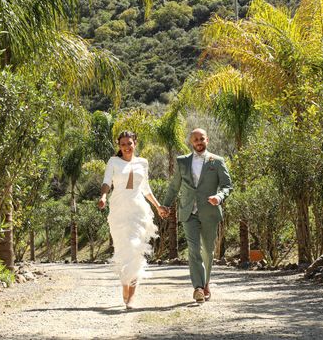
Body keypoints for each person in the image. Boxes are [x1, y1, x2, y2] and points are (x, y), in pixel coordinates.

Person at [159, 128, 232, 303]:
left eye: (202, 139)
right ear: (191, 142)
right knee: (193, 250)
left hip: (209, 212)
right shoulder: (182, 161)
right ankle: (198, 287)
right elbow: (174, 186)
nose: (199, 142)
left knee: (208, 250)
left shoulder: (217, 161)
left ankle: (206, 283)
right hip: (188, 212)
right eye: (195, 140)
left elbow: (227, 185)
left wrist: (219, 197)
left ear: (207, 140)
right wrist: (165, 205)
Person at [98, 131, 163, 309]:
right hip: (118, 211)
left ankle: (132, 296)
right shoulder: (113, 162)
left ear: (135, 143)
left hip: (138, 210)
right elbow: (106, 182)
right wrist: (103, 196)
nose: (127, 147)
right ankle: (125, 285)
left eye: (129, 143)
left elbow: (146, 189)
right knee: (122, 250)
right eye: (123, 144)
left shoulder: (143, 163)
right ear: (119, 146)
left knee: (136, 250)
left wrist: (158, 207)